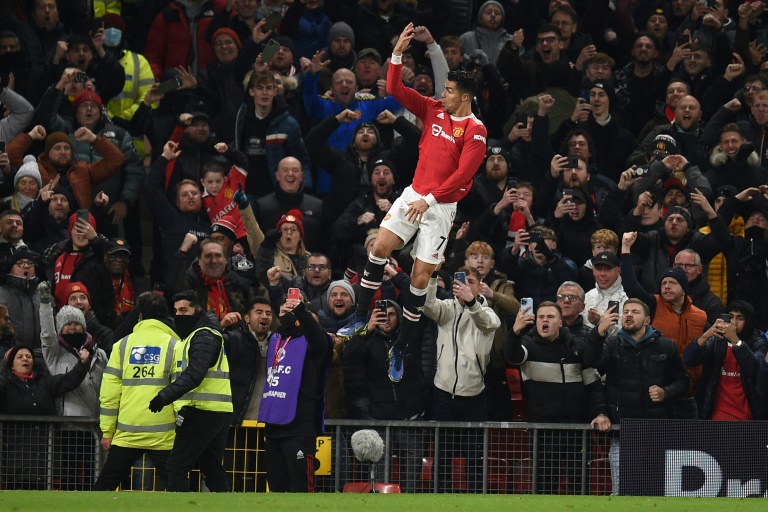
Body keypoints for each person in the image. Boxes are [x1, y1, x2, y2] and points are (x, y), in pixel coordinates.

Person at [338, 23, 488, 384]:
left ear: (464, 97)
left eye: (450, 90)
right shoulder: (434, 109)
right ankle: (360, 315)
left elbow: (462, 178)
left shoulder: (475, 131)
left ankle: (402, 346)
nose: (444, 94)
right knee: (378, 247)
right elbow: (394, 89)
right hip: (413, 194)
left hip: (440, 207)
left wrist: (431, 200)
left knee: (421, 278)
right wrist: (396, 53)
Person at [506, 301, 610, 494]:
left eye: (551, 317)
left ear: (561, 323)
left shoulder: (576, 348)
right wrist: (515, 333)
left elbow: (594, 386)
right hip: (543, 430)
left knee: (581, 485)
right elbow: (513, 356)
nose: (545, 320)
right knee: (545, 487)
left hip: (576, 429)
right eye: (541, 317)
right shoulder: (527, 345)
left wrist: (601, 412)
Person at [590, 298, 690, 495]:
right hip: (622, 432)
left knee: (656, 492)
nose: (628, 314)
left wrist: (666, 392)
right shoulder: (611, 344)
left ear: (647, 320)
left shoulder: (666, 346)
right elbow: (591, 362)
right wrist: (598, 332)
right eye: (626, 311)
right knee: (621, 492)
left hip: (656, 432)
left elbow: (683, 382)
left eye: (635, 312)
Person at [423, 264, 500, 492]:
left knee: (475, 458)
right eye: (460, 282)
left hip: (474, 395)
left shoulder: (487, 312)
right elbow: (427, 305)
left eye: (471, 283)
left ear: (479, 287)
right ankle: (440, 500)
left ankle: (475, 501)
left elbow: (487, 323)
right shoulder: (447, 309)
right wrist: (432, 275)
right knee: (442, 455)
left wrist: (472, 303)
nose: (465, 286)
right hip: (443, 393)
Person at [148, 290, 233, 492]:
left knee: (175, 466)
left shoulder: (203, 335)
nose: (179, 315)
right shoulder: (200, 334)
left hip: (202, 410)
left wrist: (164, 396)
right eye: (176, 310)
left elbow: (195, 373)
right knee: (212, 469)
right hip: (216, 409)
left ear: (198, 309)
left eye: (184, 310)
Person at [95, 292, 179, 491]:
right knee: (179, 492)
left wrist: (107, 431)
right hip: (164, 434)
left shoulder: (122, 346)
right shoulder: (175, 346)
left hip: (127, 432)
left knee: (103, 489)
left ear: (139, 315)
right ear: (165, 316)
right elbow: (181, 391)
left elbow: (109, 393)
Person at [258, 295, 331, 492]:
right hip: (274, 428)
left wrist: (301, 310)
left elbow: (319, 340)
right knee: (276, 490)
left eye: (291, 310)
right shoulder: (275, 340)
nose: (286, 315)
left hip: (300, 426)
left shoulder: (314, 342)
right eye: (282, 311)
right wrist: (267, 428)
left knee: (301, 490)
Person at [0, 344, 91, 490]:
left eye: (29, 356)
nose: (25, 359)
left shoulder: (44, 382)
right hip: (15, 459)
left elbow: (69, 380)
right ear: (11, 365)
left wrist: (82, 364)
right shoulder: (4, 383)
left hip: (46, 458)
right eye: (20, 357)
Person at [684, 300, 767, 420]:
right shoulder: (717, 340)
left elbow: (755, 372)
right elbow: (689, 360)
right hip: (717, 414)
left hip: (748, 416)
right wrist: (705, 336)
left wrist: (735, 341)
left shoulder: (758, 341)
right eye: (731, 317)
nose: (733, 322)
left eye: (740, 318)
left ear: (748, 321)